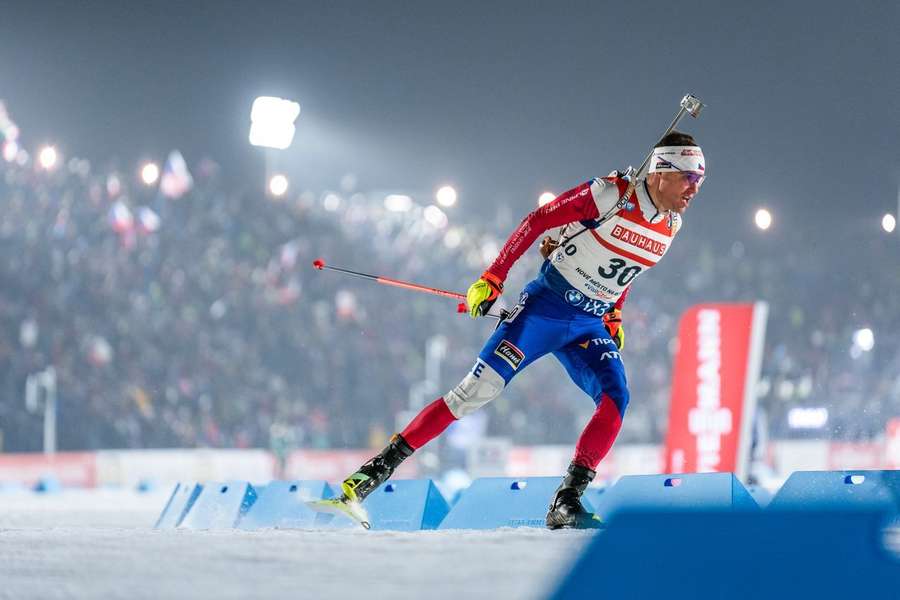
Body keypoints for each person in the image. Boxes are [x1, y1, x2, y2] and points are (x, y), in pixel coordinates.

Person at [334, 131, 705, 528]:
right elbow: (538, 220)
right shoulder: (612, 194)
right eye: (689, 178)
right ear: (662, 170)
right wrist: (494, 277)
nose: (694, 189)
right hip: (545, 309)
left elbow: (626, 266)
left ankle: (566, 501)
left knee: (617, 399)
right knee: (473, 394)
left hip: (588, 324)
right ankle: (373, 473)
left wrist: (614, 314)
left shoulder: (672, 224)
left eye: (700, 181)